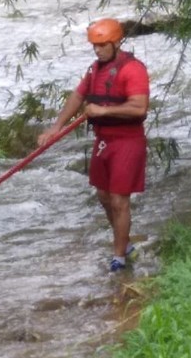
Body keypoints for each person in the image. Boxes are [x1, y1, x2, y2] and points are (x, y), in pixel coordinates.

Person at [38, 18, 149, 273]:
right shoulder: (94, 70)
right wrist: (56, 127)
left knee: (120, 200)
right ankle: (125, 244)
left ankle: (119, 257)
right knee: (103, 196)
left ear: (116, 42)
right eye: (94, 46)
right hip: (103, 140)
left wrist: (101, 109)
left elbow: (139, 106)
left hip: (127, 141)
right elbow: (78, 96)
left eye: (102, 45)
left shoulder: (133, 69)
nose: (97, 51)